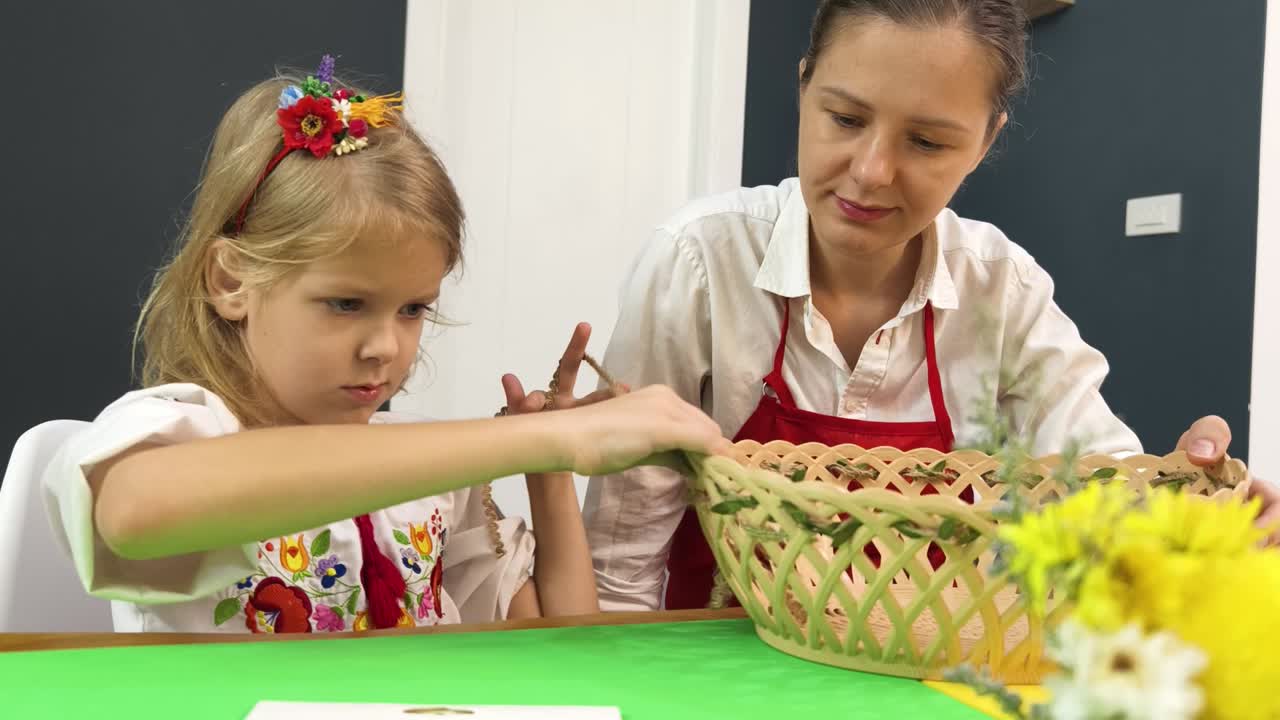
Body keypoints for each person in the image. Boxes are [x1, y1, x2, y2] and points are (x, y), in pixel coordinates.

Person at [582, 0, 1273, 612]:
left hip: (923, 673)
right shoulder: (702, 263)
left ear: (985, 141)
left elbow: (1099, 491)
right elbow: (619, 563)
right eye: (846, 118)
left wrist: (1193, 516)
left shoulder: (1002, 290)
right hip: (715, 666)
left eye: (926, 142)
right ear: (803, 88)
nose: (872, 170)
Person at [40, 57, 728, 633]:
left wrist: (550, 470)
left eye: (413, 308)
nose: (384, 347)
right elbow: (132, 512)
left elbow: (566, 649)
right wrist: (541, 444)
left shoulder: (433, 487)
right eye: (346, 304)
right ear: (231, 282)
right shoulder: (179, 427)